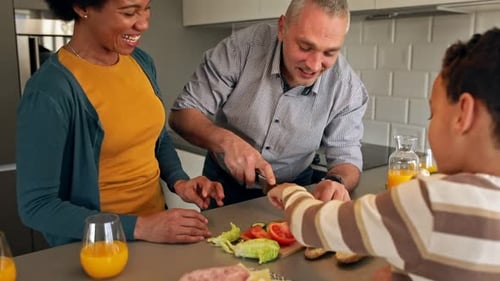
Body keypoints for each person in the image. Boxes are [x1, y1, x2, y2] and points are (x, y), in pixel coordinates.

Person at [268, 27, 500, 280]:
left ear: (463, 114)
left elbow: (312, 225)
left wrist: (291, 192)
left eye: (432, 114)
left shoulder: (431, 200)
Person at [16, 0, 225, 247]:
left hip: (156, 236)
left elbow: (157, 138)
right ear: (82, 7)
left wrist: (179, 181)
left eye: (147, 8)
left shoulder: (141, 62)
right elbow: (37, 206)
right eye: (129, 12)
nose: (144, 23)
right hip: (97, 248)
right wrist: (142, 226)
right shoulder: (50, 90)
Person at [169, 0, 368, 206]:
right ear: (282, 28)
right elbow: (181, 114)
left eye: (329, 53)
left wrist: (336, 181)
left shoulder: (347, 87)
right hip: (222, 184)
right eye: (305, 47)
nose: (314, 65)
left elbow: (347, 159)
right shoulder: (241, 49)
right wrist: (227, 142)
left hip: (294, 192)